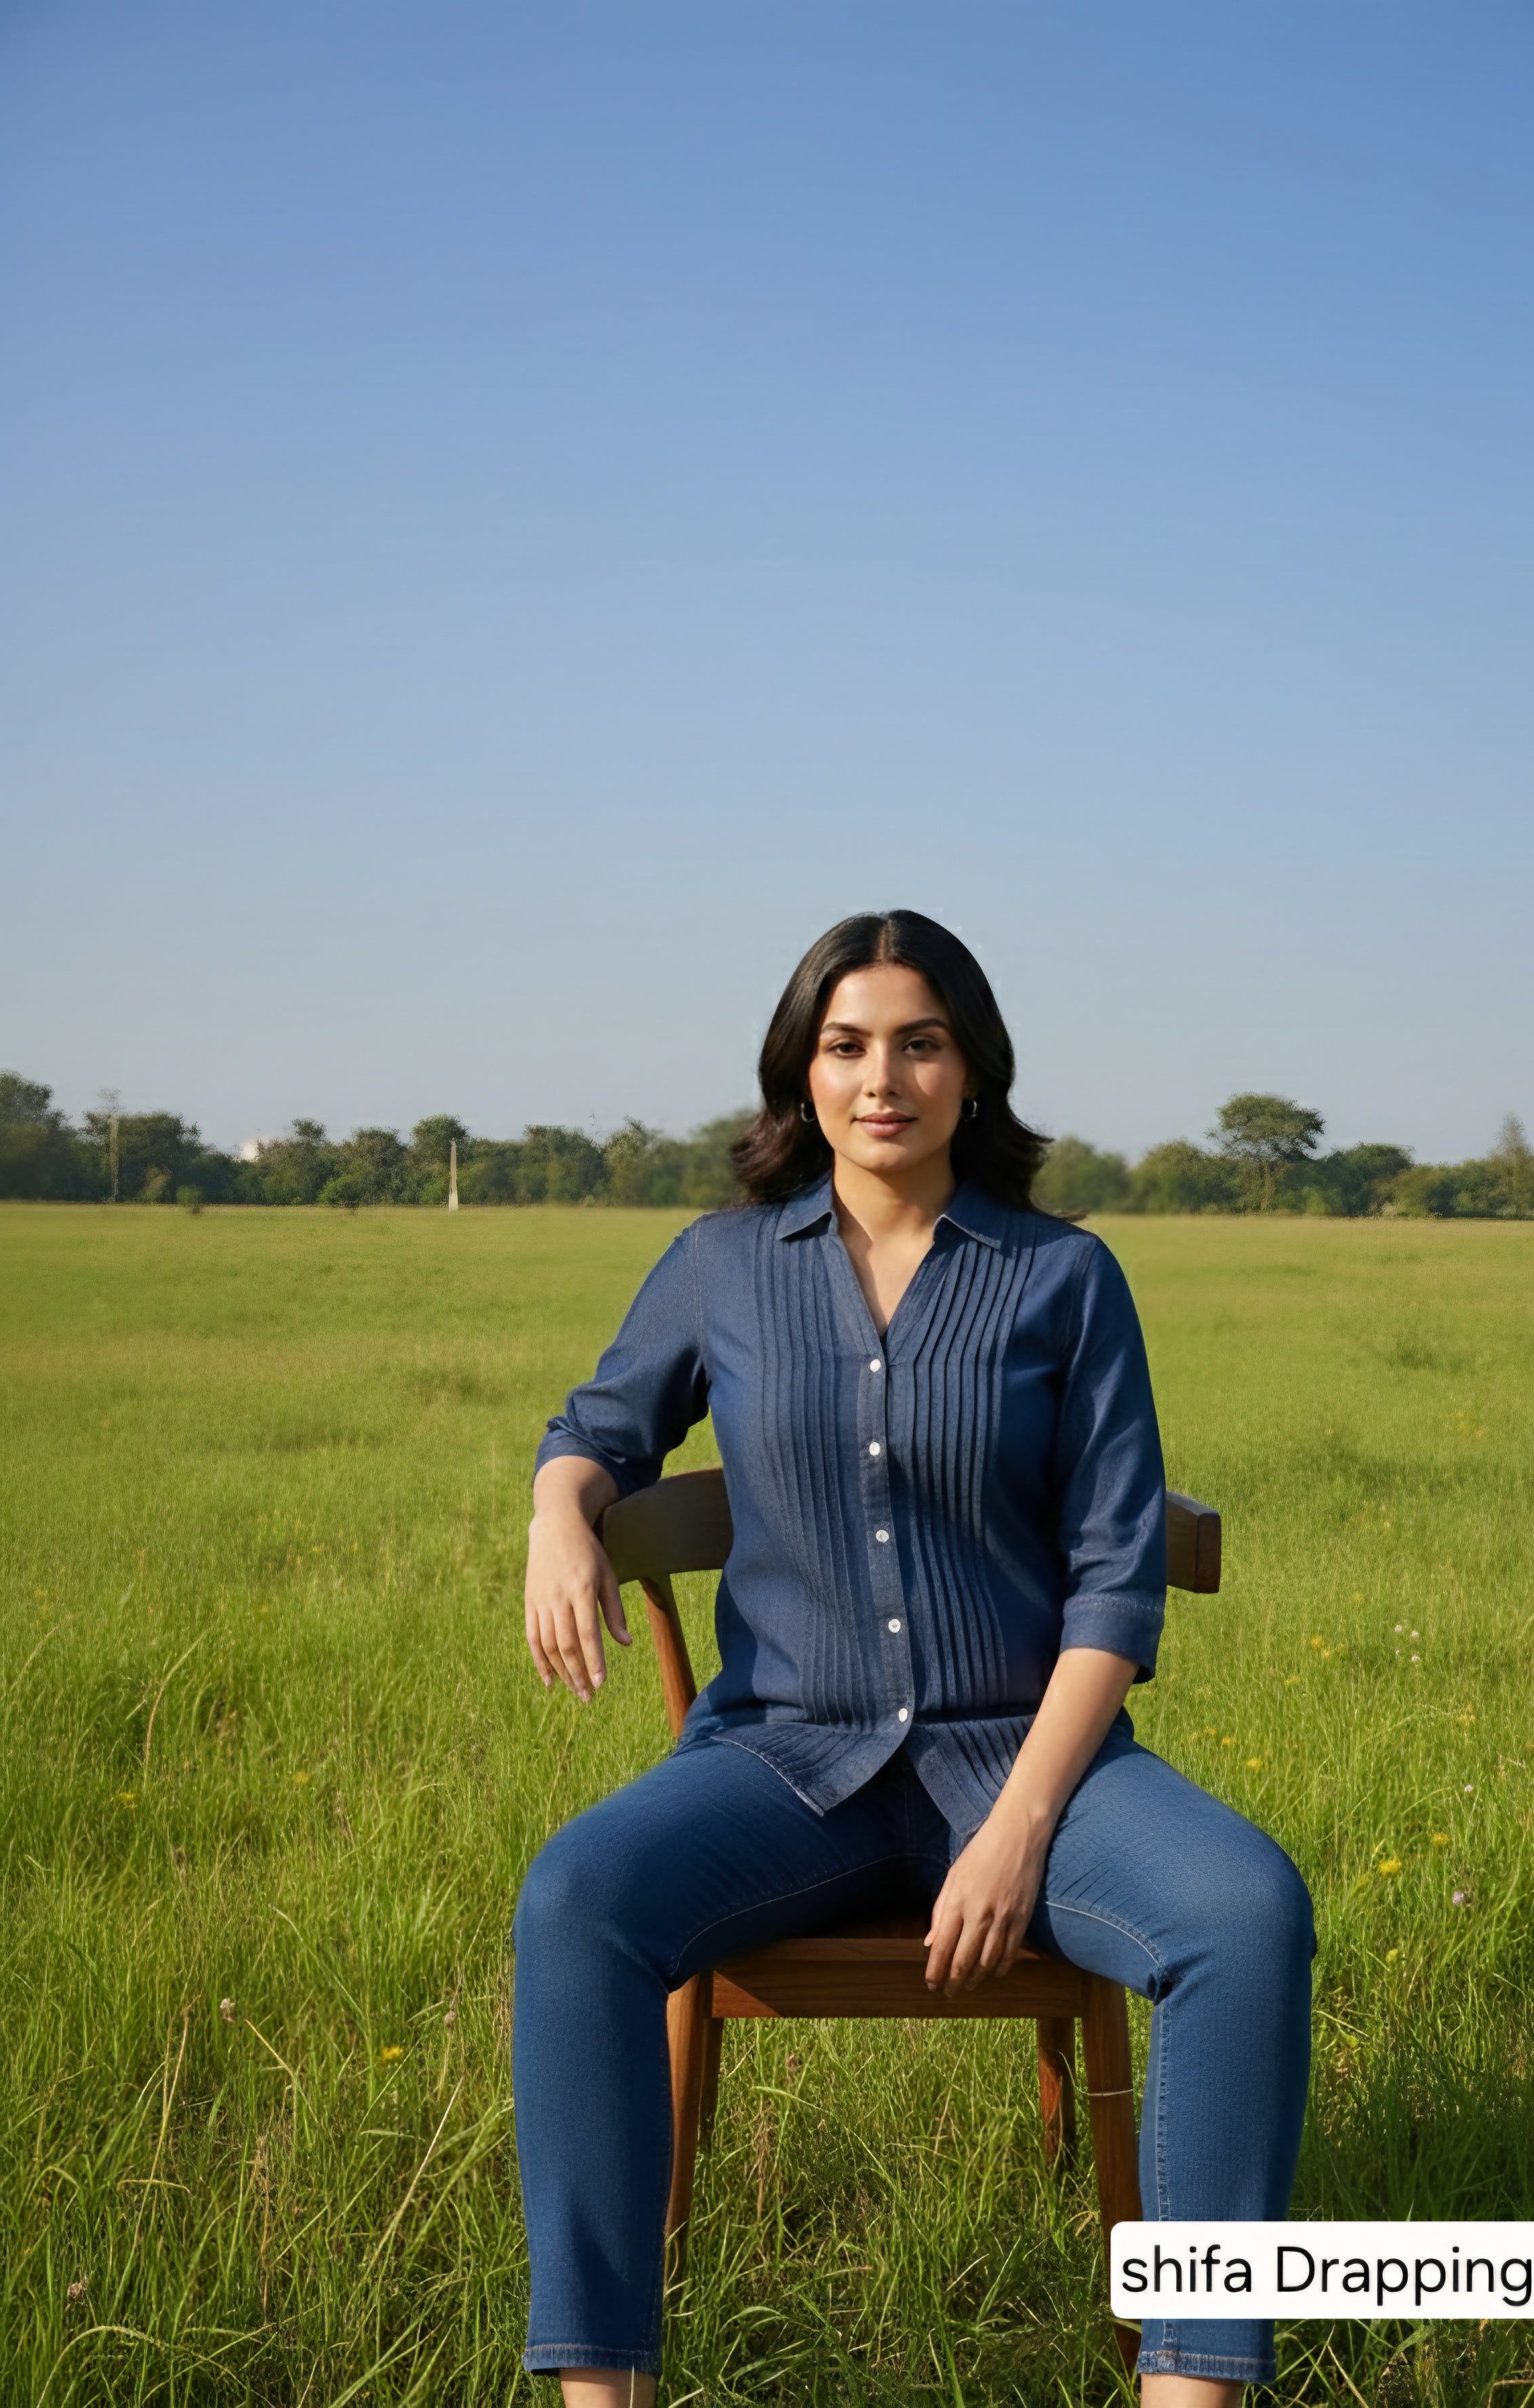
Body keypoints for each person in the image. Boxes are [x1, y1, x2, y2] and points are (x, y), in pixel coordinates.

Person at [515, 910, 1314, 2407]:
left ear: (972, 1071)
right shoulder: (722, 1267)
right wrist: (564, 1513)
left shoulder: (1063, 1277)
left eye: (920, 1042)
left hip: (1032, 1768)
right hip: (781, 1766)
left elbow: (1115, 1580)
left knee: (1245, 1915)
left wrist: (1018, 1830)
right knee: (576, 1899)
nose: (883, 1077)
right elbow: (599, 1431)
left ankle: (1195, 2380)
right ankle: (603, 2392)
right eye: (848, 1044)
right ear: (800, 1072)